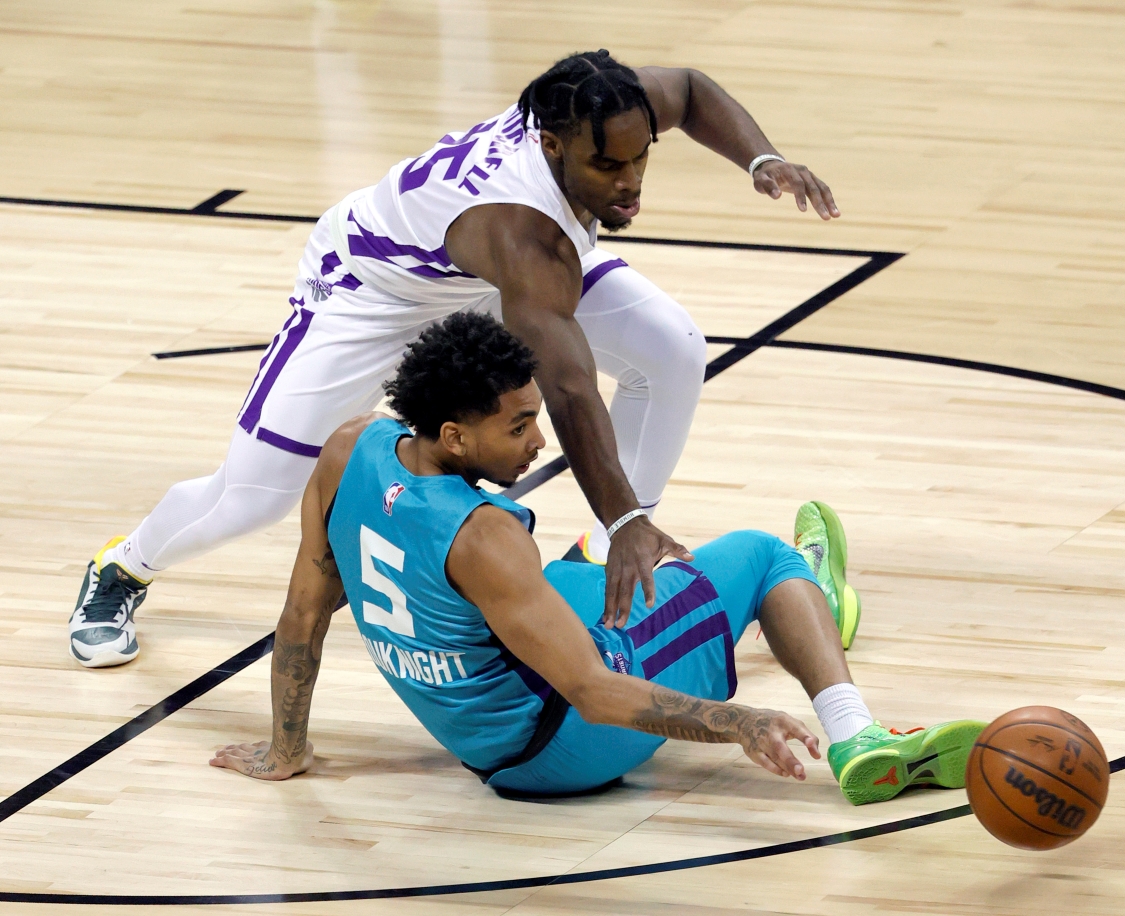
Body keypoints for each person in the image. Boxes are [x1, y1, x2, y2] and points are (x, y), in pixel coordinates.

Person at [69, 49, 842, 669]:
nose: (631, 182)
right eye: (609, 168)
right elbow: (569, 388)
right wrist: (631, 512)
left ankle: (605, 554)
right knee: (253, 497)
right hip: (371, 291)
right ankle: (124, 566)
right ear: (551, 146)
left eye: (642, 157)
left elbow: (693, 89)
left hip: (473, 278)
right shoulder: (526, 234)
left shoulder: (599, 105)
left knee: (671, 348)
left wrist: (761, 160)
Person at [211, 313, 983, 805]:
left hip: (487, 744)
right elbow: (592, 691)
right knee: (758, 556)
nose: (538, 440)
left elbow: (302, 614)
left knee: (575, 572)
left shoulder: (351, 449)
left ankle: (782, 611)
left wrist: (287, 749)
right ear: (454, 436)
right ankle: (855, 730)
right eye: (518, 427)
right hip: (565, 745)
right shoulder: (485, 537)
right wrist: (739, 722)